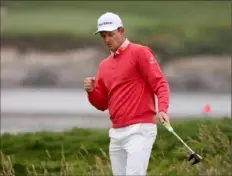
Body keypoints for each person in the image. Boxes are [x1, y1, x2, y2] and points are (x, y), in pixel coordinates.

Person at [84, 12, 170, 176]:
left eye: (111, 34)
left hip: (141, 129)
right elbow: (102, 104)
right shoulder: (104, 65)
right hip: (116, 132)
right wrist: (91, 92)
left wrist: (163, 108)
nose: (107, 40)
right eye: (103, 36)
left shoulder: (140, 53)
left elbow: (160, 83)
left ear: (122, 31)